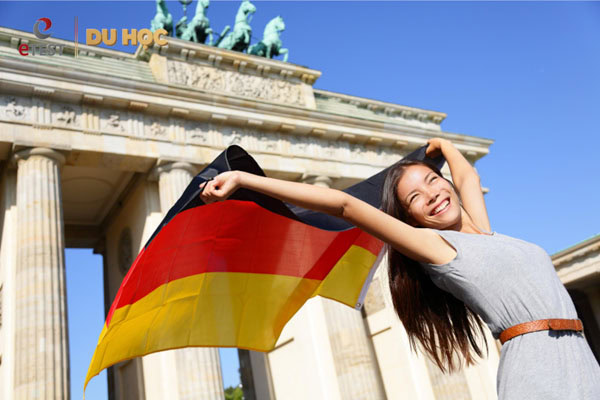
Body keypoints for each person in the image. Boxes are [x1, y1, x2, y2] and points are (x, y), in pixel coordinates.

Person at [199, 138, 600, 399]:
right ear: (412, 219)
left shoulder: (484, 232)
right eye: (415, 197)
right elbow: (345, 206)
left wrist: (443, 145)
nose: (432, 194)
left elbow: (467, 175)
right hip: (536, 366)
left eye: (432, 181)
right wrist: (245, 179)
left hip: (579, 355)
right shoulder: (439, 248)